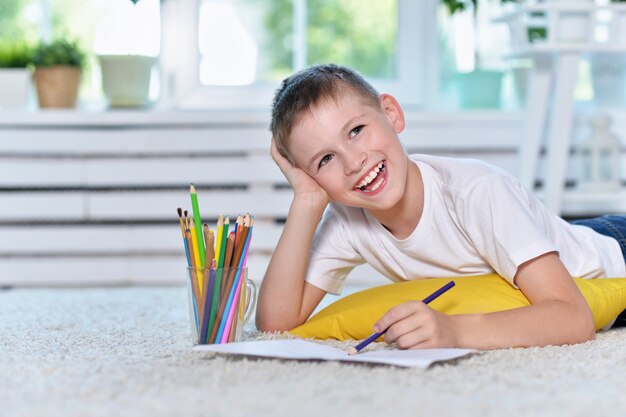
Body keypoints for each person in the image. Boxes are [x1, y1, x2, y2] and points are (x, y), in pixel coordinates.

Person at [255, 63, 626, 349]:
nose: (354, 162)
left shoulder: (477, 192)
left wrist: (453, 330)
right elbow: (275, 323)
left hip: (612, 249)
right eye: (325, 160)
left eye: (356, 131)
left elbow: (573, 318)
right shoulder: (346, 220)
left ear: (392, 114)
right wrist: (306, 200)